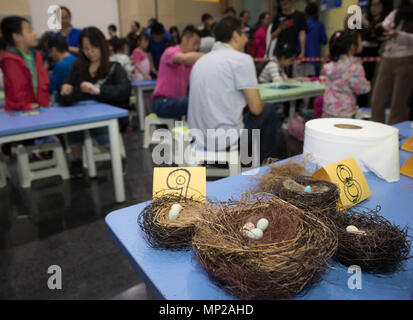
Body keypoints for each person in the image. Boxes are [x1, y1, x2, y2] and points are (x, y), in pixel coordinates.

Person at [188, 16, 278, 163]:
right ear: (236, 35)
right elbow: (256, 109)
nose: (246, 39)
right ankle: (267, 168)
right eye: (244, 34)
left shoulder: (201, 61)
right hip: (224, 140)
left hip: (197, 136)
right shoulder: (241, 59)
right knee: (268, 110)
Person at [60, 27, 131, 176]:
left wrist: (98, 91)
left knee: (99, 125)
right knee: (74, 123)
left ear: (102, 47)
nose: (90, 52)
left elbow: (124, 92)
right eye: (86, 49)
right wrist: (67, 90)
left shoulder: (114, 67)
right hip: (80, 115)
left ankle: (118, 158)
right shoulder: (78, 66)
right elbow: (67, 90)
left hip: (107, 116)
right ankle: (77, 160)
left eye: (94, 48)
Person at [371, 0, 413, 125]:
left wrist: (398, 35)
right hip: (388, 57)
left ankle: (397, 136)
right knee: (377, 101)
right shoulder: (397, 12)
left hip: (407, 59)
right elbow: (384, 26)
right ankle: (376, 131)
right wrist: (379, 30)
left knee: (398, 104)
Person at [152, 26, 203, 119]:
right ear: (184, 39)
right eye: (195, 43)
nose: (196, 47)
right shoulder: (170, 51)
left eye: (198, 45)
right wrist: (212, 56)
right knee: (197, 101)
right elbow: (183, 58)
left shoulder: (190, 64)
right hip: (163, 103)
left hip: (177, 103)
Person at [0, 16, 50, 111]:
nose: (35, 34)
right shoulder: (10, 59)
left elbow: (43, 82)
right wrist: (25, 105)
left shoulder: (36, 55)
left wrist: (44, 102)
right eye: (29, 30)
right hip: (19, 111)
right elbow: (17, 88)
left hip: (39, 107)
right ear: (17, 37)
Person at [322, 30, 371, 118]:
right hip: (345, 111)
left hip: (328, 108)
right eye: (360, 41)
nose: (362, 43)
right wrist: (367, 85)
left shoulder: (329, 66)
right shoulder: (355, 67)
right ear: (352, 46)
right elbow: (361, 89)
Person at [357, 0, 393, 108]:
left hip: (374, 57)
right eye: (372, 5)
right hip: (359, 55)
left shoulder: (386, 21)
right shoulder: (367, 17)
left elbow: (375, 36)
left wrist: (366, 23)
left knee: (367, 84)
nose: (374, 8)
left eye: (377, 5)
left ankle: (363, 107)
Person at [269, 0, 307, 65]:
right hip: (280, 50)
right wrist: (280, 28)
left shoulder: (299, 16)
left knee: (292, 73)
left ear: (291, 2)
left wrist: (303, 51)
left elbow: (302, 33)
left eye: (286, 4)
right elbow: (272, 35)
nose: (284, 7)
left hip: (293, 50)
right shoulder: (278, 17)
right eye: (282, 5)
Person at [303, 2, 327, 77]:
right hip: (315, 59)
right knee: (315, 82)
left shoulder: (302, 25)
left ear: (306, 12)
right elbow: (324, 41)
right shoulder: (319, 25)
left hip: (301, 59)